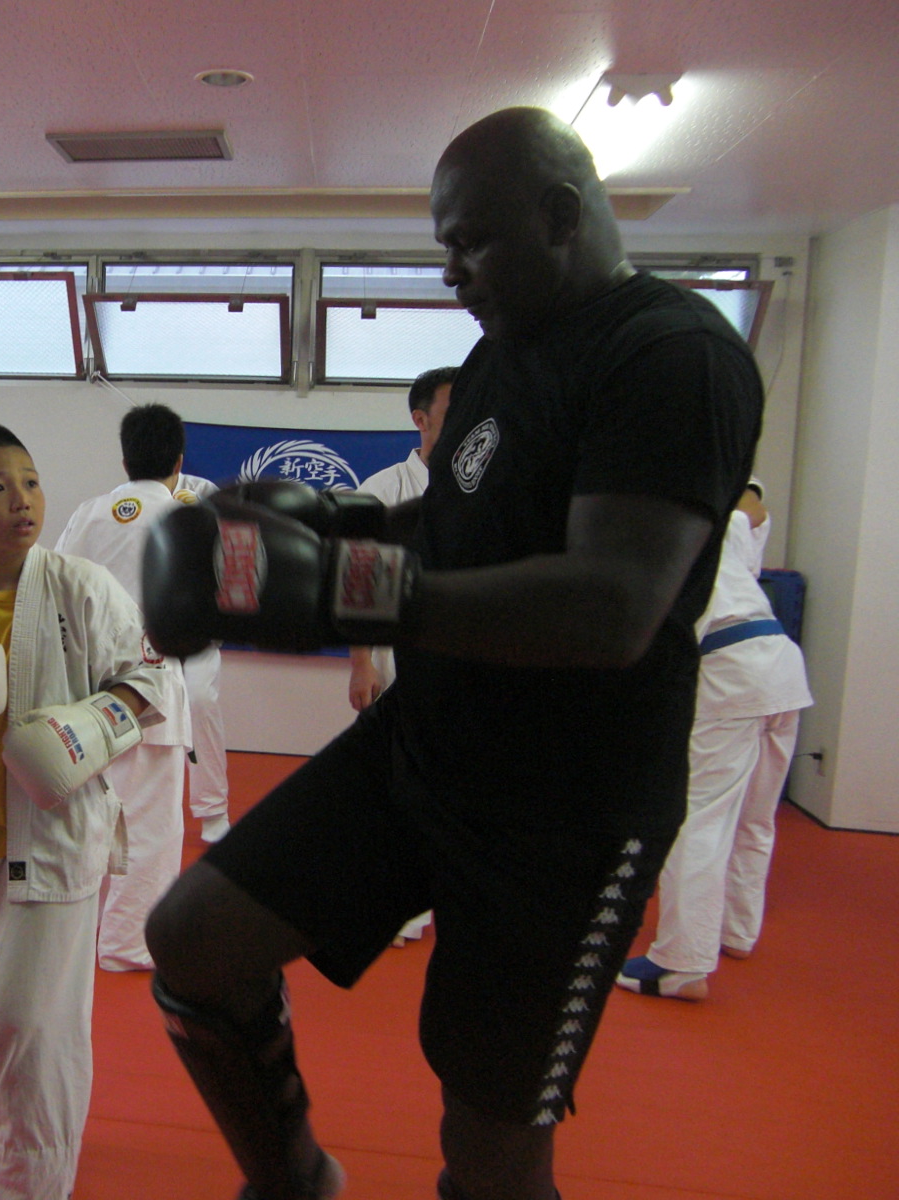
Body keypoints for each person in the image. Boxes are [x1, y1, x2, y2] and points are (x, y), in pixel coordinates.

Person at [140, 106, 763, 1200]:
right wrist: (328, 528)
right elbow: (455, 519)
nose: (450, 272)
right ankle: (292, 1178)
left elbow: (612, 603)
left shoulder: (673, 357)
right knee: (194, 938)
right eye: (444, 246)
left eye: (470, 241)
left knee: (488, 1141)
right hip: (427, 745)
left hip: (567, 813)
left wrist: (342, 593)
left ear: (561, 214)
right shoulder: (498, 357)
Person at [0, 423, 170, 1200]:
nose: (21, 500)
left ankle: (27, 1179)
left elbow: (152, 685)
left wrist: (83, 733)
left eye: (31, 482)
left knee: (30, 1020)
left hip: (55, 836)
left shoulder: (85, 588)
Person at [617, 480, 812, 1001]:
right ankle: (737, 931)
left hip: (729, 670)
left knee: (699, 817)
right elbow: (754, 507)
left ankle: (680, 963)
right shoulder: (717, 522)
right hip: (780, 665)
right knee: (755, 816)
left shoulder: (634, 542)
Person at [54, 402, 194, 971]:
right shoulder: (186, 517)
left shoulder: (88, 514)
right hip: (153, 684)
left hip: (87, 688)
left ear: (124, 459)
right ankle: (127, 943)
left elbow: (56, 590)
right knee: (150, 822)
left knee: (86, 812)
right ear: (178, 462)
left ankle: (75, 927)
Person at [348, 365, 459, 947]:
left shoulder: (488, 483)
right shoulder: (384, 487)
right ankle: (399, 905)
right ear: (421, 419)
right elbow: (358, 580)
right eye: (454, 408)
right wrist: (361, 661)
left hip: (470, 655)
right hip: (399, 652)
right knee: (395, 781)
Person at [170, 469, 234, 842]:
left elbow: (235, 552)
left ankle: (212, 810)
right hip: (140, 630)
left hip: (197, 628)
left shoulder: (202, 491)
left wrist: (206, 520)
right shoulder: (122, 502)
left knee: (199, 700)